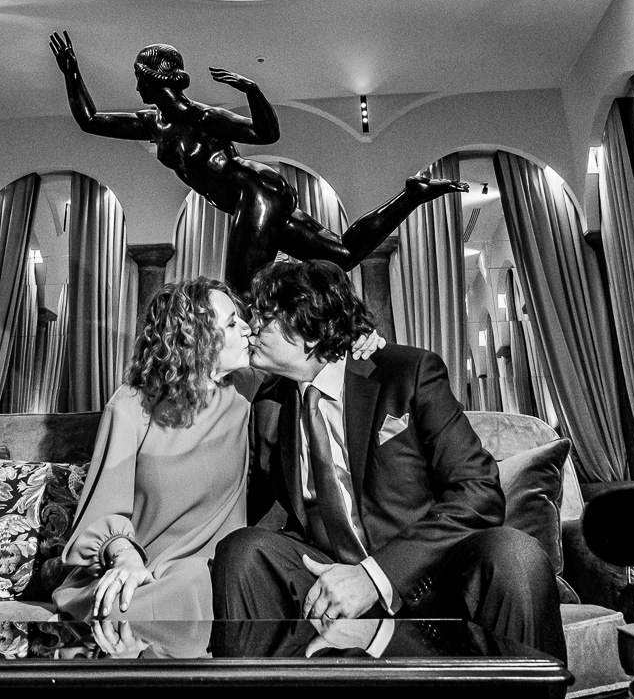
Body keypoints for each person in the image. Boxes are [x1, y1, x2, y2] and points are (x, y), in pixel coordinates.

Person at [213, 260, 564, 659]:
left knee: (515, 554)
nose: (251, 327)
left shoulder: (407, 373)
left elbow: (479, 490)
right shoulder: (268, 406)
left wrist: (374, 577)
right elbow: (236, 501)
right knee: (243, 551)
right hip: (327, 581)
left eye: (265, 317)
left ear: (308, 325)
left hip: (428, 578)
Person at [55, 276, 382, 626]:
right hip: (138, 570)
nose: (248, 328)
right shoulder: (132, 405)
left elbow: (315, 361)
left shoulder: (250, 392)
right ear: (193, 338)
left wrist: (353, 340)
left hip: (215, 575)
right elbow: (102, 510)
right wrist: (125, 557)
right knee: (124, 606)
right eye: (231, 323)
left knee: (194, 589)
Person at [49, 32, 463, 296]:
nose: (135, 85)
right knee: (343, 254)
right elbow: (90, 120)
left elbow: (266, 134)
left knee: (241, 290)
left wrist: (252, 90)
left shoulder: (202, 116)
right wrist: (72, 72)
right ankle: (412, 196)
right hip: (254, 200)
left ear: (151, 78)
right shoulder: (151, 123)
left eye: (138, 76)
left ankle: (254, 377)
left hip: (257, 192)